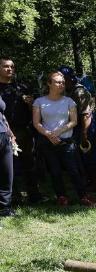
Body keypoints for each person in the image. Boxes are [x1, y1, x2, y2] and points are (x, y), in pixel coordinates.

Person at [33, 71, 96, 207]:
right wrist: (49, 135)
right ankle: (62, 197)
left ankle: (84, 196)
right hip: (48, 142)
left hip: (67, 142)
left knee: (74, 170)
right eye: (57, 82)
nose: (61, 84)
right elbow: (36, 123)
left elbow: (74, 121)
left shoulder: (69, 101)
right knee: (55, 171)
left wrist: (58, 132)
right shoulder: (39, 102)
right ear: (49, 84)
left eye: (62, 82)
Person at [0, 57, 41, 203]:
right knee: (6, 167)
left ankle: (34, 196)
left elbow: (34, 111)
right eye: (6, 66)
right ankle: (13, 198)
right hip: (4, 132)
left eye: (12, 67)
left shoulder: (22, 87)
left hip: (23, 130)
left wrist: (30, 104)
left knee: (29, 163)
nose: (9, 69)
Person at [58, 66, 96, 192]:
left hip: (87, 127)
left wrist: (85, 134)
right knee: (80, 157)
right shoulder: (68, 91)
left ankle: (95, 183)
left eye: (62, 79)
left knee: (89, 155)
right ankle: (85, 181)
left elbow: (86, 114)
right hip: (78, 127)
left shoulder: (79, 92)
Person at [0, 93, 14, 221]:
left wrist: (10, 132)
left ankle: (5, 207)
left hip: (3, 135)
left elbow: (2, 115)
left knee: (7, 172)